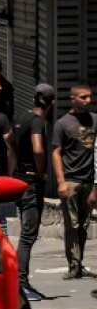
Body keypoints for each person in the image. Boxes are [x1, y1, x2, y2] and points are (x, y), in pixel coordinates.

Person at [8, 84, 54, 301]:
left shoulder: (21, 119)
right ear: (50, 103)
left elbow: (9, 140)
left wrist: (12, 172)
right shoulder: (38, 122)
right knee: (28, 234)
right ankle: (21, 282)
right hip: (31, 182)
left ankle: (19, 280)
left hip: (18, 178)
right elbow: (37, 147)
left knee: (26, 233)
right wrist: (41, 171)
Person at [52, 85, 97, 280]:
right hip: (71, 179)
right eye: (83, 97)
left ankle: (79, 263)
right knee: (72, 224)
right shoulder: (62, 123)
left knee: (84, 224)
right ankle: (73, 264)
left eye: (89, 97)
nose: (87, 100)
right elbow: (56, 152)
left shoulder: (95, 119)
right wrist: (61, 181)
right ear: (72, 99)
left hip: (89, 180)